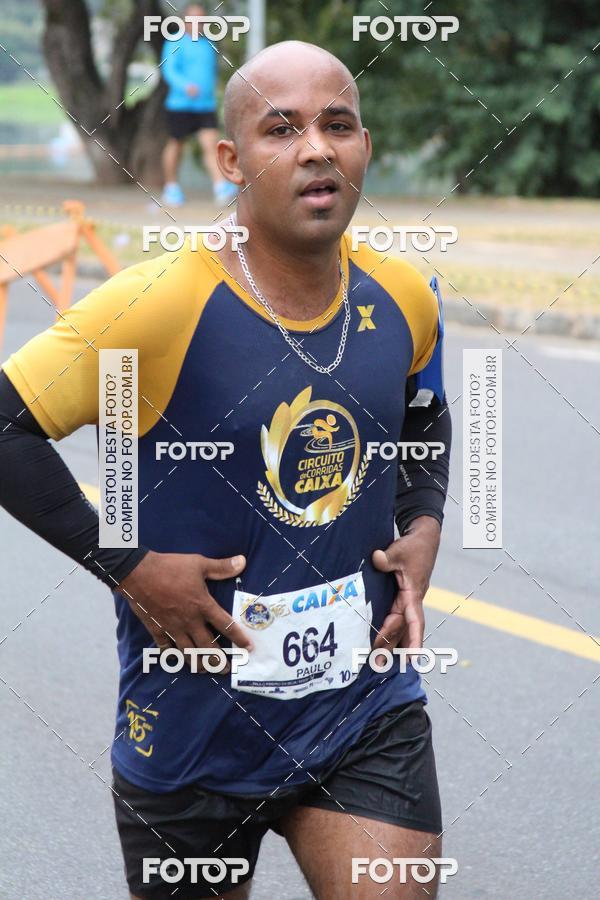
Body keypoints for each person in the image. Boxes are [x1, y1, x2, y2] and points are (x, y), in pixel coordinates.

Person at [0, 40, 452, 899]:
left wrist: (423, 522)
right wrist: (126, 566)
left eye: (338, 125)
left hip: (361, 711)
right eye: (282, 129)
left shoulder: (403, 295)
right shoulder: (161, 304)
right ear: (231, 161)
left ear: (364, 148)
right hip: (191, 729)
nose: (317, 147)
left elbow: (424, 408)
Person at [160, 3, 237, 206]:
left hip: (205, 105)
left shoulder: (209, 43)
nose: (198, 24)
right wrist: (185, 86)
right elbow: (169, 71)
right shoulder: (174, 41)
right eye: (193, 19)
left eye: (201, 20)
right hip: (180, 105)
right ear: (185, 20)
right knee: (176, 145)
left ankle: (220, 187)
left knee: (211, 145)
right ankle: (171, 187)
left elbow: (210, 73)